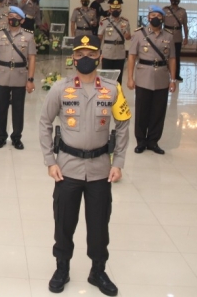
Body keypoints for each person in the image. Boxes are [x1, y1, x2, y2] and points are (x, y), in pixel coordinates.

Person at [39, 34, 130, 296]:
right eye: (80, 54)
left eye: (90, 54)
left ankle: (98, 271)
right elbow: (45, 123)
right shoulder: (60, 88)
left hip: (101, 168)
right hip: (67, 168)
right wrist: (49, 160)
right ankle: (62, 267)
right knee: (64, 222)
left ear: (99, 57)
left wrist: (119, 161)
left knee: (99, 224)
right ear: (73, 58)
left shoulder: (113, 89)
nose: (85, 59)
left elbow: (123, 125)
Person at [127, 6, 176, 154]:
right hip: (143, 77)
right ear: (148, 17)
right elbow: (132, 56)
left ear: (162, 18)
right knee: (142, 111)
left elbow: (172, 59)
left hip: (162, 77)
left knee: (158, 111)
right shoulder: (139, 34)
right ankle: (141, 141)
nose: (155, 17)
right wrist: (130, 78)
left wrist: (173, 79)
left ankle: (153, 141)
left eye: (158, 15)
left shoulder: (169, 36)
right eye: (152, 15)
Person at [0, 6, 37, 149]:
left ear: (21, 20)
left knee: (18, 108)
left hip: (20, 76)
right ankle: (1, 136)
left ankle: (16, 137)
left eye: (16, 18)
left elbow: (32, 59)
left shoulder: (28, 36)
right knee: (1, 108)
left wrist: (30, 80)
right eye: (10, 18)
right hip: (1, 75)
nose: (12, 21)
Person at [98, 0, 131, 83]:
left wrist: (124, 31)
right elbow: (100, 37)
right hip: (107, 53)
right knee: (105, 78)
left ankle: (117, 95)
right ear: (110, 9)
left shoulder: (125, 22)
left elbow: (128, 37)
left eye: (117, 8)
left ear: (120, 9)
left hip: (120, 53)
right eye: (113, 8)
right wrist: (97, 51)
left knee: (118, 78)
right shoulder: (104, 21)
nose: (115, 11)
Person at [163, 0, 189, 81]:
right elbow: (159, 24)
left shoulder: (183, 11)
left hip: (177, 37)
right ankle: (164, 73)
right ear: (170, 0)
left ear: (179, 0)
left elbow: (185, 25)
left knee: (176, 56)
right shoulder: (164, 10)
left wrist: (186, 37)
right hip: (166, 36)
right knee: (165, 55)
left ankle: (176, 75)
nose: (174, 1)